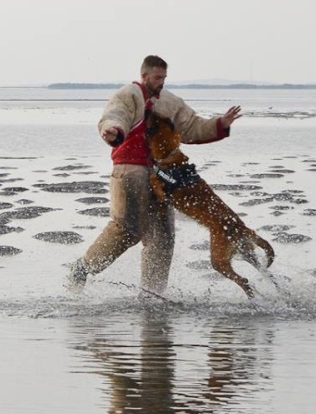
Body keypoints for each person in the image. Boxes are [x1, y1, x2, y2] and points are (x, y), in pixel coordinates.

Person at [66, 55, 242, 295]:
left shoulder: (170, 101)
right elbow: (115, 115)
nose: (161, 82)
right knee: (126, 230)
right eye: (158, 77)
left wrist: (221, 123)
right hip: (130, 171)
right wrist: (111, 130)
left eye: (164, 77)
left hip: (162, 177)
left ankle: (152, 295)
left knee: (162, 238)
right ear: (144, 76)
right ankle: (82, 268)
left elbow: (191, 127)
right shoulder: (128, 95)